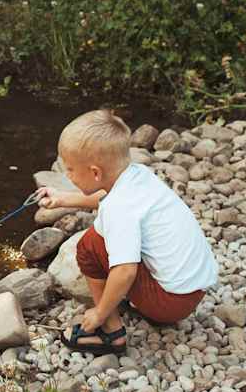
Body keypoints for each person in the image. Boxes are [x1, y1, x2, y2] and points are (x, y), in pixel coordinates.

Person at [38, 109, 218, 355]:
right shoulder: (137, 175)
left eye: (70, 169)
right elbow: (104, 196)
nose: (67, 175)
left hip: (170, 303)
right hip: (191, 292)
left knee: (90, 245)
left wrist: (98, 314)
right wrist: (63, 199)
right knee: (106, 241)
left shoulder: (118, 208)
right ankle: (137, 302)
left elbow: (125, 271)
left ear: (95, 173)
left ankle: (112, 333)